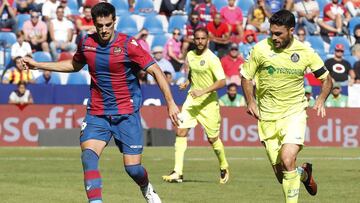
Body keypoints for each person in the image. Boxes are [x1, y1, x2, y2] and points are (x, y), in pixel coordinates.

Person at [21, 3, 180, 203]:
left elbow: (156, 71)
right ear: (94, 24)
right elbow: (74, 64)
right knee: (88, 157)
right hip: (97, 113)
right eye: (99, 25)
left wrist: (171, 103)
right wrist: (38, 64)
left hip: (126, 113)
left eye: (107, 25)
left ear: (114, 22)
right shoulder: (87, 43)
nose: (104, 30)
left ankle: (146, 187)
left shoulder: (129, 45)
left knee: (133, 169)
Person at [241, 10, 333, 202]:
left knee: (287, 159)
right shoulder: (259, 49)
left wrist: (321, 99)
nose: (274, 37)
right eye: (271, 33)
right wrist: (250, 101)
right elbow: (246, 77)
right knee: (282, 174)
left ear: (291, 30)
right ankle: (305, 174)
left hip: (294, 113)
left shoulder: (305, 52)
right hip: (267, 117)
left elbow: (326, 79)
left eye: (279, 34)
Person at [162, 27, 229, 184]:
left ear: (208, 40)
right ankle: (177, 172)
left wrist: (202, 91)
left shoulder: (212, 59)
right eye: (197, 39)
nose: (199, 41)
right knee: (181, 130)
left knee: (213, 139)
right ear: (194, 40)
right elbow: (193, 72)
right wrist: (188, 82)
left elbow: (222, 82)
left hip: (209, 103)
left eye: (202, 39)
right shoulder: (190, 55)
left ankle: (223, 165)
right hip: (192, 101)